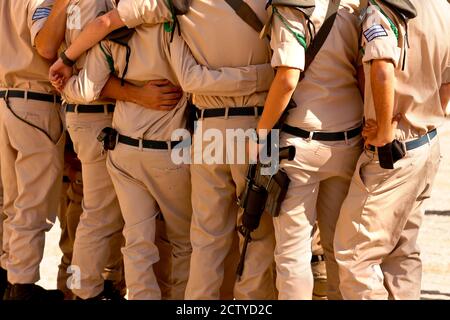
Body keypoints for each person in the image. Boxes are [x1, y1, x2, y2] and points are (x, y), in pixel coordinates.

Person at [55, 0, 273, 299]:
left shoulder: (113, 36)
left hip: (123, 150)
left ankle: (82, 290)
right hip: (173, 151)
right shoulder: (179, 26)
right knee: (196, 242)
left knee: (135, 241)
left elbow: (83, 90)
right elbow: (191, 79)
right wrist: (267, 77)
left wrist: (66, 80)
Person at [334, 0, 450, 299]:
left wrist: (384, 132)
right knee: (403, 250)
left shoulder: (380, 9)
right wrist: (429, 109)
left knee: (355, 256)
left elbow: (382, 69)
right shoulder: (440, 7)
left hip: (393, 150)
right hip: (426, 141)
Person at [255, 0, 365, 299]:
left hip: (300, 145)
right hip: (348, 139)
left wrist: (261, 134)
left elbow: (288, 76)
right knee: (339, 249)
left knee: (292, 253)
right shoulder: (351, 6)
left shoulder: (290, 7)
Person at [0, 0, 66, 300]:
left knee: (14, 201)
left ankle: (11, 279)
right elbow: (46, 46)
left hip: (6, 97)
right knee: (33, 203)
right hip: (35, 100)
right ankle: (22, 287)